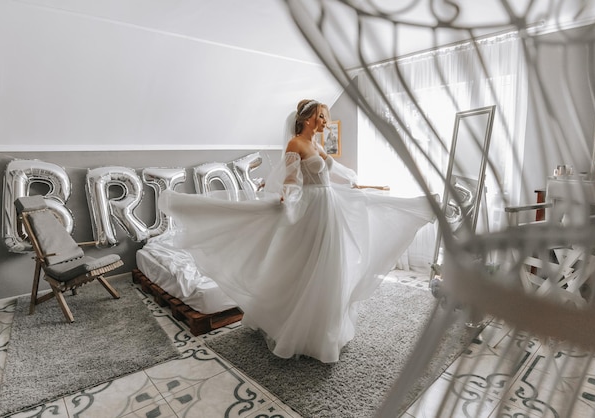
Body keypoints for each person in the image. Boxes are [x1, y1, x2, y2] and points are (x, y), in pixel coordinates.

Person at [159, 99, 435, 363]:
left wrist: (360, 185)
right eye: (322, 117)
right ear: (307, 119)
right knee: (310, 264)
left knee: (332, 264)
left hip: (330, 206)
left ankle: (326, 327)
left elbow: (335, 170)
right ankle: (298, 329)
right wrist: (287, 199)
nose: (326, 122)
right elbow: (291, 179)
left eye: (325, 117)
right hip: (311, 208)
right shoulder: (296, 143)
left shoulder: (315, 144)